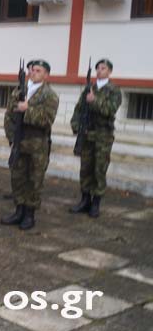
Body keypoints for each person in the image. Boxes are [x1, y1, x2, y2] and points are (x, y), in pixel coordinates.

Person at [1, 60, 60, 230]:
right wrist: (11, 137)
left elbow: (47, 119)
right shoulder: (20, 90)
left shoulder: (50, 95)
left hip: (37, 144)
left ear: (46, 75)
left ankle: (29, 214)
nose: (33, 72)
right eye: (32, 70)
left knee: (34, 179)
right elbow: (9, 115)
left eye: (38, 70)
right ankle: (18, 210)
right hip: (19, 140)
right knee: (17, 177)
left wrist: (27, 109)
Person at [69, 58, 122, 218]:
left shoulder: (114, 90)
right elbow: (79, 109)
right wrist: (76, 125)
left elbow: (110, 110)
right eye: (98, 68)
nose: (99, 71)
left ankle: (96, 203)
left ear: (109, 71)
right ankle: (85, 200)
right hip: (86, 135)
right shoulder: (89, 88)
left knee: (99, 169)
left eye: (103, 68)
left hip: (102, 137)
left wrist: (95, 101)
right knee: (85, 168)